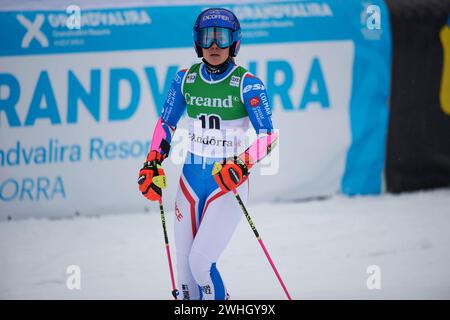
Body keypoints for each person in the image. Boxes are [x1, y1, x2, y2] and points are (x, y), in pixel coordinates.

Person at [138, 8, 278, 300]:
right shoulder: (184, 78)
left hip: (226, 183)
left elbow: (268, 135)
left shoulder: (247, 83)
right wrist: (152, 162)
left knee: (201, 264)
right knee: (186, 277)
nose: (214, 45)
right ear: (197, 42)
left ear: (234, 42)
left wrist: (242, 164)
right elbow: (166, 123)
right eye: (207, 37)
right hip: (190, 180)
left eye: (222, 37)